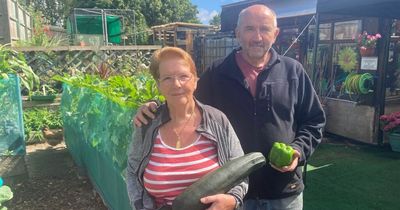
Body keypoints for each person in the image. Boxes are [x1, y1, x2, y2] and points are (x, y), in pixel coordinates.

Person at [134, 4, 326, 210]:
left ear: (275, 34)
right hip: (231, 193)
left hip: (284, 191)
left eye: (265, 29)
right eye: (249, 28)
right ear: (237, 33)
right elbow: (185, 101)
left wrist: (298, 150)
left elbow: (314, 121)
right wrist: (155, 107)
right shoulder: (218, 72)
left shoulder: (293, 71)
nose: (257, 36)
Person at [126, 47, 248, 210]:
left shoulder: (217, 120)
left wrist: (233, 199)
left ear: (195, 80)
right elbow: (133, 172)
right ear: (158, 85)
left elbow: (239, 168)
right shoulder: (147, 124)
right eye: (167, 78)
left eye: (183, 76)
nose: (176, 84)